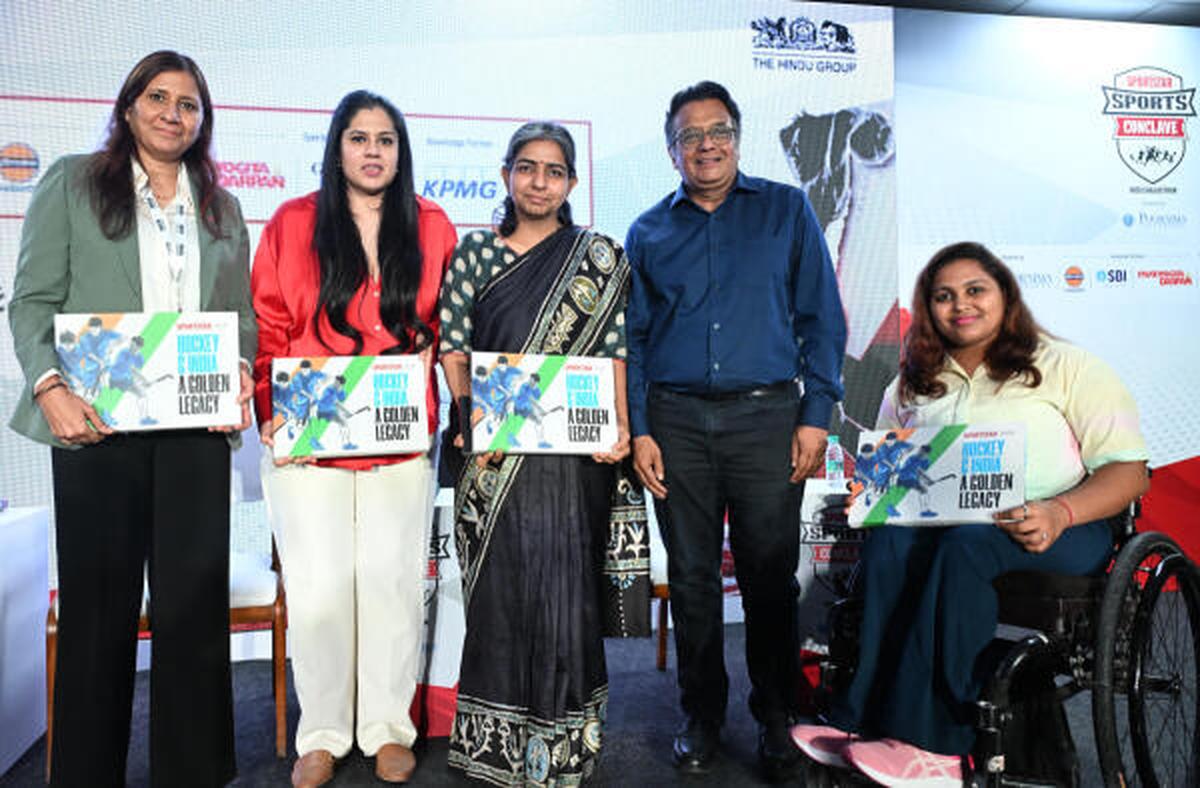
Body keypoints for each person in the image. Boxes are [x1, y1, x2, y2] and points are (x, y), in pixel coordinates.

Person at [790, 242, 1149, 788]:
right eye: (944, 296)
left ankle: (937, 745)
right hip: (946, 529)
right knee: (890, 541)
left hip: (1060, 525)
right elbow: (892, 469)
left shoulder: (1065, 365)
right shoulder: (912, 381)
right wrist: (871, 492)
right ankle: (860, 722)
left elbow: (1129, 473)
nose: (961, 305)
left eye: (975, 290)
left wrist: (1059, 510)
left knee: (965, 544)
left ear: (1004, 294)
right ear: (928, 308)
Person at [7, 50, 256, 787]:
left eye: (188, 104)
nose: (172, 113)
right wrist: (50, 385)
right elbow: (30, 301)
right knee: (97, 612)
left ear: (201, 121)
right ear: (127, 107)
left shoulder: (222, 204)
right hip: (95, 424)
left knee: (192, 608)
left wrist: (237, 369)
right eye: (158, 97)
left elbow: (239, 314)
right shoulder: (73, 182)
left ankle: (193, 773)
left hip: (194, 431)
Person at [625, 79, 848, 780]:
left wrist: (816, 416)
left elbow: (823, 319)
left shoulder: (785, 210)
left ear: (738, 138)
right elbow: (632, 339)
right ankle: (702, 715)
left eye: (717, 130)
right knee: (690, 580)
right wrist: (640, 429)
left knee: (769, 578)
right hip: (677, 423)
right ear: (672, 152)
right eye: (689, 135)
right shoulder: (648, 230)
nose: (706, 145)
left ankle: (778, 715)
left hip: (767, 420)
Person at [251, 90, 457, 787]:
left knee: (391, 581)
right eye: (359, 138)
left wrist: (433, 357)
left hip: (398, 437)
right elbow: (269, 324)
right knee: (319, 587)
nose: (373, 151)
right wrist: (267, 408)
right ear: (336, 146)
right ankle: (324, 732)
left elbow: (449, 324)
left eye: (387, 139)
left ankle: (388, 728)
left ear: (401, 152)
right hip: (308, 438)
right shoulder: (291, 222)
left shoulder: (431, 225)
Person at [439, 121, 635, 785]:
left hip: (573, 461)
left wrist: (619, 429)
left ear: (572, 183)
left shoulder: (600, 258)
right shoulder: (473, 256)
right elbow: (455, 351)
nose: (540, 182)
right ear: (506, 175)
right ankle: (495, 745)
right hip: (494, 458)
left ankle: (564, 747)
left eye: (554, 171)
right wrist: (470, 418)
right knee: (500, 599)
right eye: (527, 168)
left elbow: (614, 353)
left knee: (566, 594)